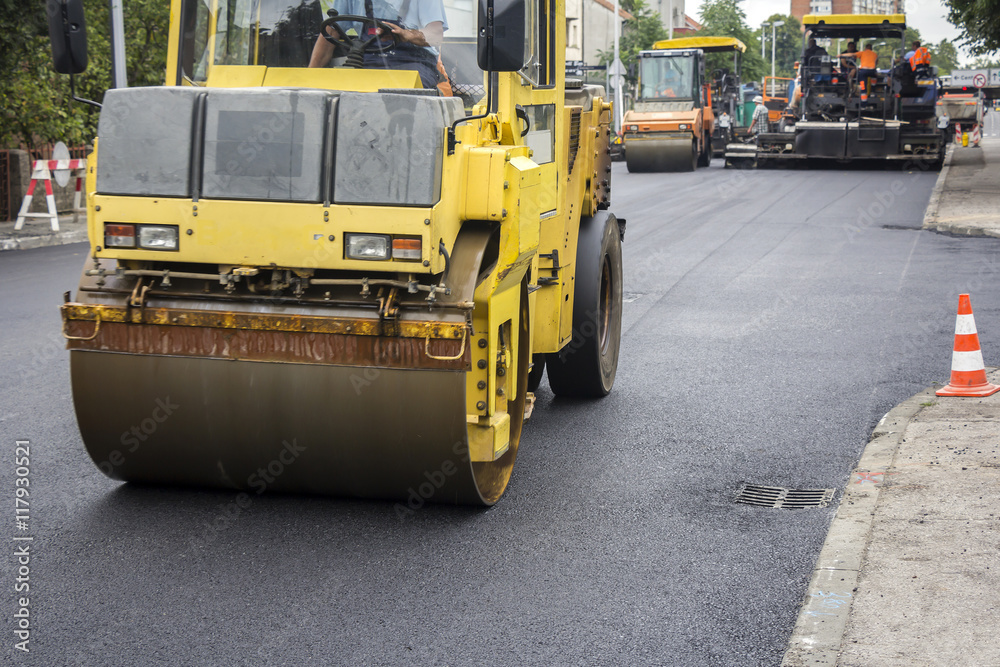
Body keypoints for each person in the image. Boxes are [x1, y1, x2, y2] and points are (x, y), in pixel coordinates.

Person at [308, 0, 447, 90]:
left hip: (413, 64)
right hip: (367, 63)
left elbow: (436, 35)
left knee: (406, 96)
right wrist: (309, 79)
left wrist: (407, 35)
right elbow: (331, 32)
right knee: (337, 92)